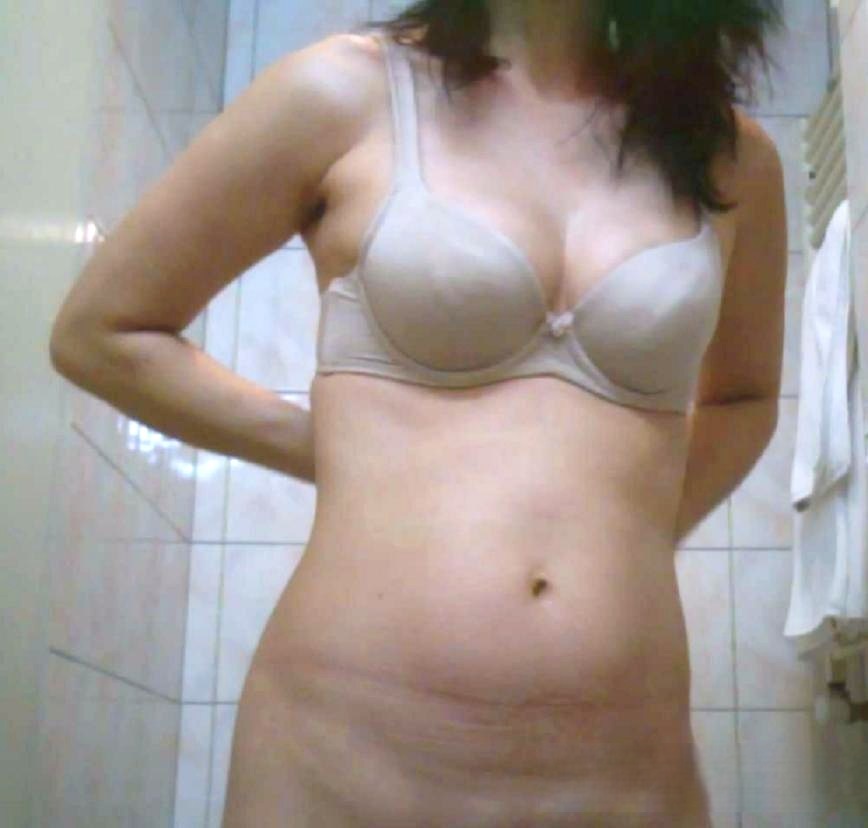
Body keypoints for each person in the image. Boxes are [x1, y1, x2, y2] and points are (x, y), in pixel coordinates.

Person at [49, 0, 788, 824]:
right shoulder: (343, 91)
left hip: (626, 775)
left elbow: (746, 398)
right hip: (341, 762)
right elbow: (103, 333)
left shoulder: (731, 158)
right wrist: (330, 453)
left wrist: (632, 529)